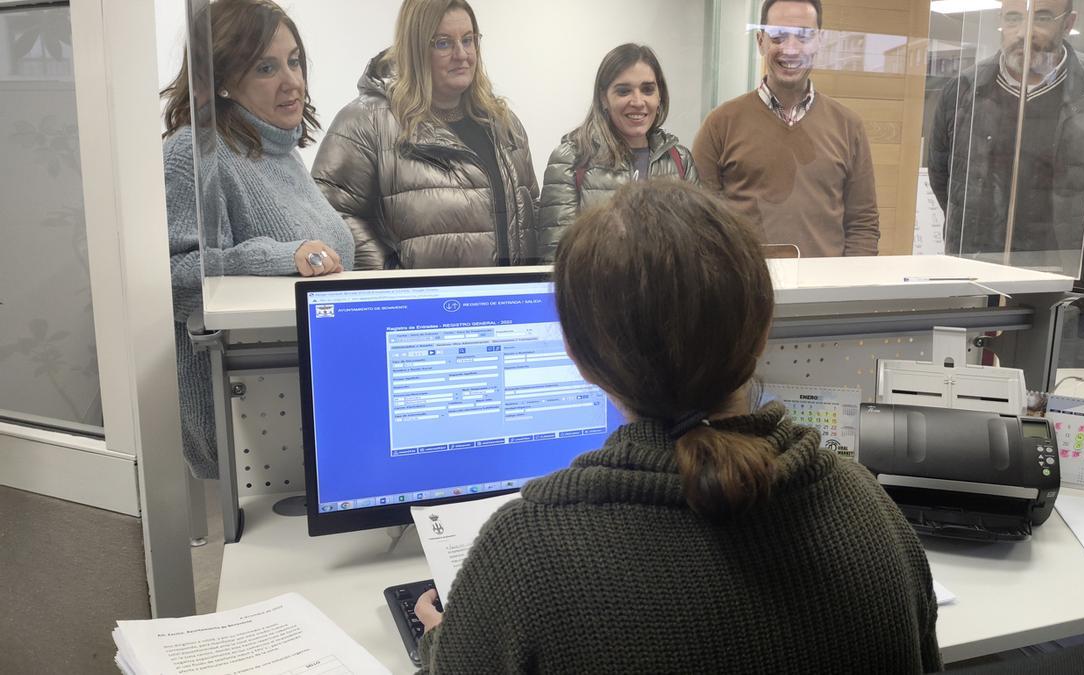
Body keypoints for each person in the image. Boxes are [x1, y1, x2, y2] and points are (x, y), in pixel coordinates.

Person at [411, 181, 941, 672]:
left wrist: (445, 641)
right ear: (761, 335)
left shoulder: (525, 557)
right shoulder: (870, 511)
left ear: (579, 359)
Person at [161, 0, 353, 479]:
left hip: (304, 400)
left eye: (295, 61)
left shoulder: (280, 153)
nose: (292, 81)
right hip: (255, 422)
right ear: (223, 78)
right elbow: (176, 279)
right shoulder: (195, 152)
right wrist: (283, 257)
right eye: (266, 67)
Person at [927, 0, 1084, 367]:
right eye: (1014, 18)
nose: (1026, 31)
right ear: (1001, 22)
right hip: (979, 282)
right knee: (968, 405)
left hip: (1066, 288)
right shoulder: (965, 89)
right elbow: (944, 178)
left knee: (1052, 405)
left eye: (1043, 17)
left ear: (1069, 23)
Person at [312, 0, 540, 270]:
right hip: (420, 307)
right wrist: (390, 276)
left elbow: (532, 210)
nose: (462, 55)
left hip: (507, 303)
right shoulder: (366, 122)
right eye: (443, 43)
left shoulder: (503, 124)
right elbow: (331, 214)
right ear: (415, 48)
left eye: (468, 40)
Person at [692, 0, 880, 258]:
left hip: (825, 293)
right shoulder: (720, 123)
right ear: (760, 41)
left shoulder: (849, 127)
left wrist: (849, 288)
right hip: (747, 290)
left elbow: (863, 225)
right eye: (778, 37)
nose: (790, 50)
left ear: (820, 42)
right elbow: (699, 224)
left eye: (803, 37)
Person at [537, 44, 700, 261]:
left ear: (660, 96)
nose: (638, 101)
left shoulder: (680, 160)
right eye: (624, 91)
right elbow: (556, 259)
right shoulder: (571, 160)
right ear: (604, 98)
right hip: (594, 293)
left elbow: (699, 247)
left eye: (648, 89)